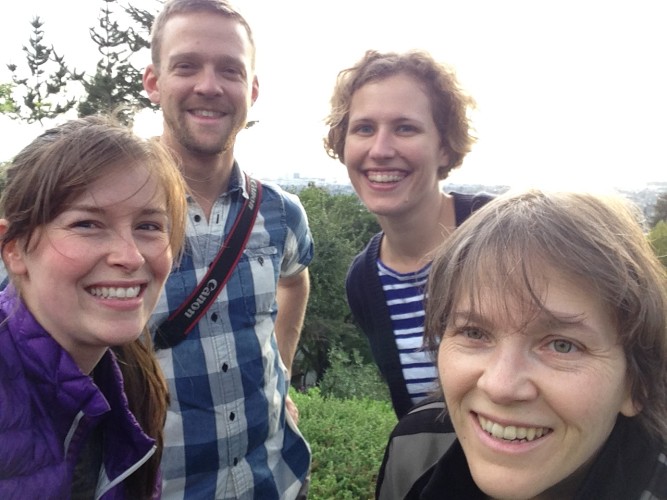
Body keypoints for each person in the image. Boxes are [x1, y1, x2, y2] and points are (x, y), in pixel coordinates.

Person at [380, 189, 667, 499]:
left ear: (636, 385)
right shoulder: (414, 448)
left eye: (562, 345)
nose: (501, 386)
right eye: (474, 333)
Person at [142, 1, 313, 498]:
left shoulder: (281, 214)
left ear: (252, 90)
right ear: (154, 82)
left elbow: (295, 277)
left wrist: (280, 368)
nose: (209, 85)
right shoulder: (106, 216)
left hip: (275, 480)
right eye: (187, 66)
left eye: (230, 70)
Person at [0, 115, 188, 499]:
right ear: (14, 248)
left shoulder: (130, 379)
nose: (130, 256)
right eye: (87, 224)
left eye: (149, 226)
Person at [324, 49, 492, 419]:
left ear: (445, 146)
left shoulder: (502, 232)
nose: (380, 150)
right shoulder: (365, 281)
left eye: (405, 128)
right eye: (364, 128)